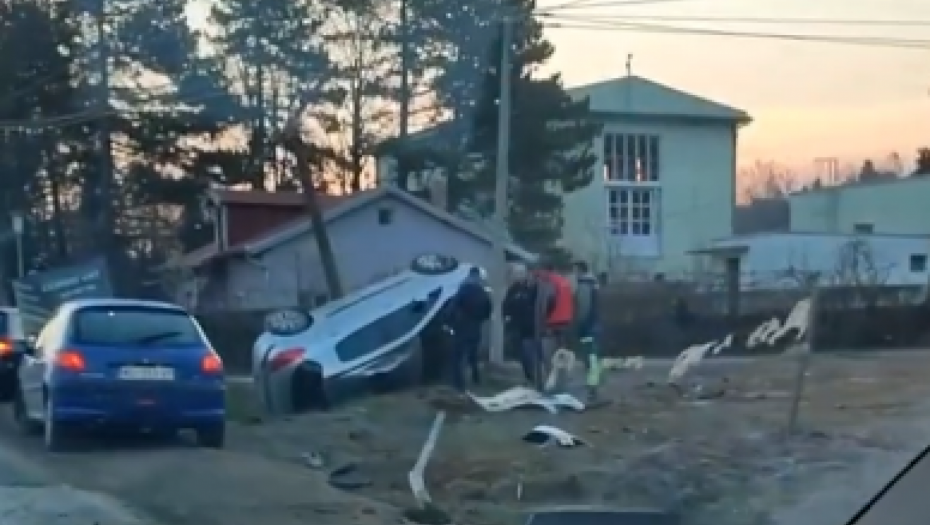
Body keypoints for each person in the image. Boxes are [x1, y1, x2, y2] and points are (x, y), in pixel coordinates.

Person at [504, 263, 554, 389]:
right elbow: (506, 305)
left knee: (538, 356)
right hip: (519, 329)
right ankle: (530, 379)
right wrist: (507, 318)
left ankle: (544, 381)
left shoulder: (536, 289)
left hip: (535, 328)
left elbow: (548, 304)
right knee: (525, 357)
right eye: (516, 274)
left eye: (520, 273)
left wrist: (545, 320)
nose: (518, 276)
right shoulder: (514, 289)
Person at [450, 266, 493, 391]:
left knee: (457, 357)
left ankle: (459, 384)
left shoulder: (463, 289)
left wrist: (449, 321)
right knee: (472, 355)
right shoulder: (482, 291)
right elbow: (489, 309)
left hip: (462, 326)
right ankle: (476, 379)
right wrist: (481, 319)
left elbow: (453, 306)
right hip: (476, 326)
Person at [573, 260, 602, 402]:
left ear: (580, 270)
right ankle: (593, 387)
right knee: (593, 357)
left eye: (575, 270)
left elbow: (583, 308)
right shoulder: (593, 284)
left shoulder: (584, 285)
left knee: (589, 357)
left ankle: (592, 389)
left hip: (587, 327)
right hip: (594, 325)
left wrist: (579, 324)